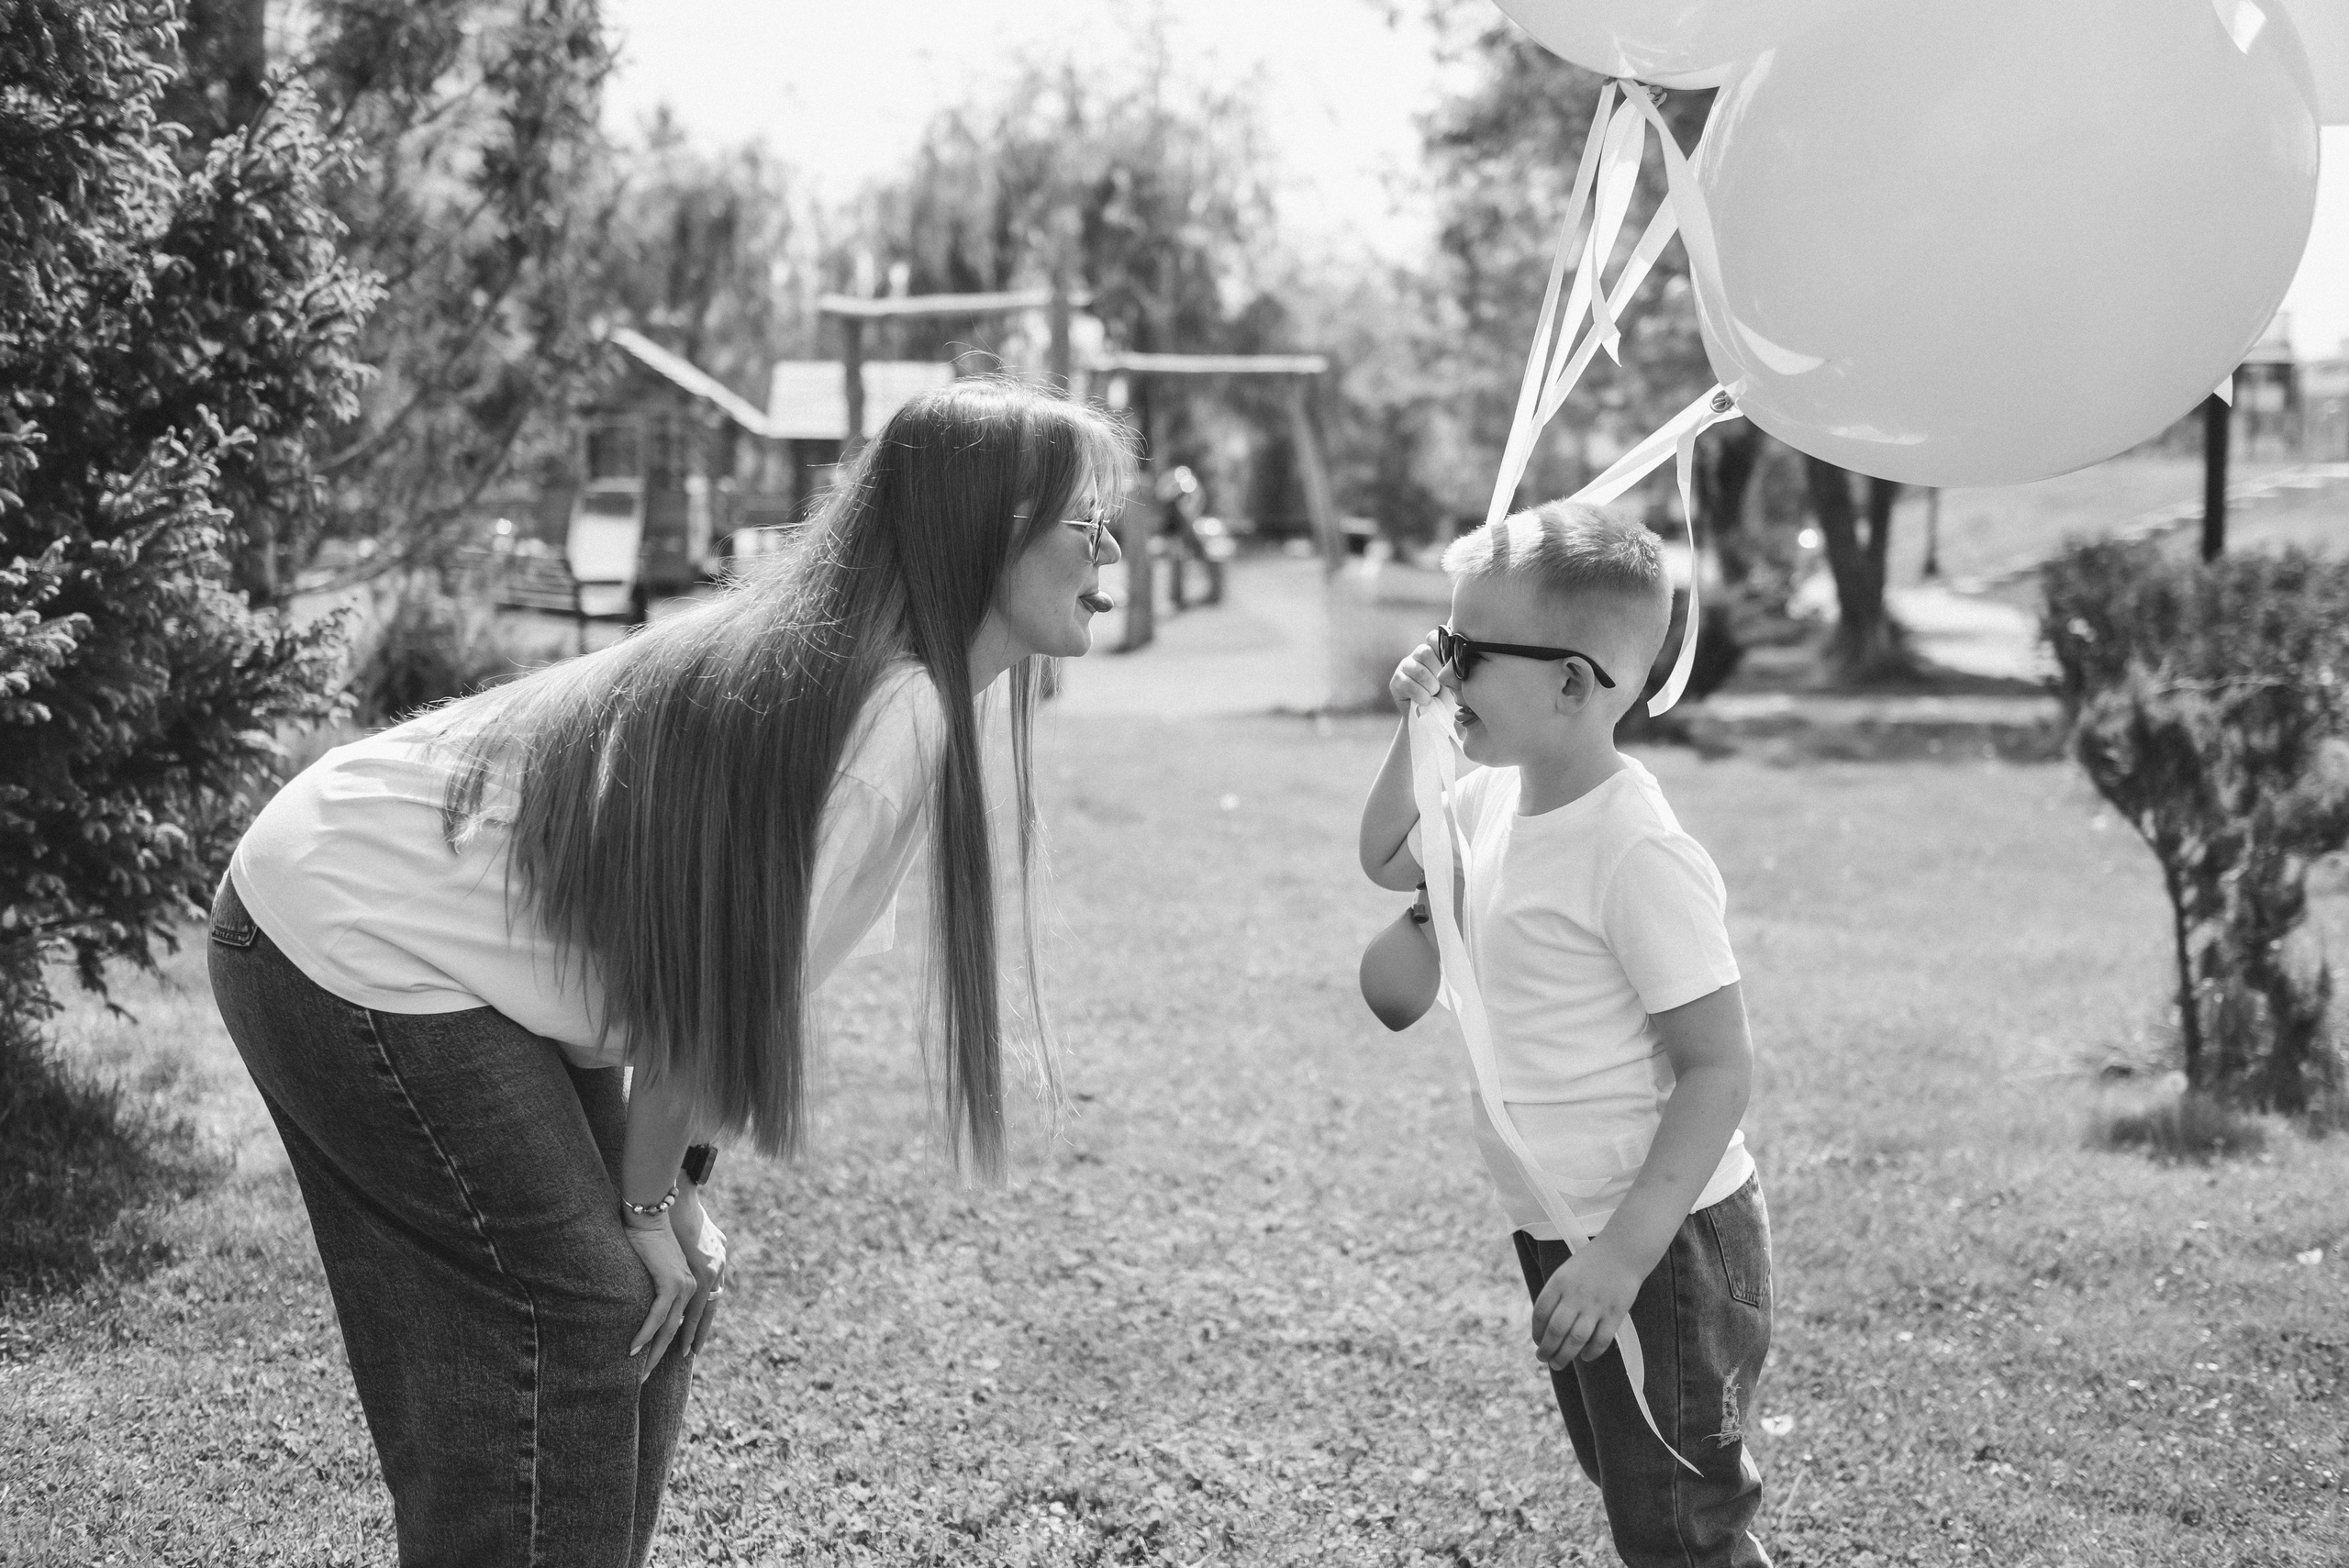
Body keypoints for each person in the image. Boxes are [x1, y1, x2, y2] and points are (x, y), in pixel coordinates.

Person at [207, 379, 1130, 1568]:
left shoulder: (887, 693)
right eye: (1080, 518)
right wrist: (643, 1203)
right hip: (348, 928)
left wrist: (675, 1188)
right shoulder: (887, 712)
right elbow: (718, 993)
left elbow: (713, 967)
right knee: (586, 1310)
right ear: (980, 536)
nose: (1108, 545)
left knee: (653, 1298)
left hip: (395, 930)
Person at [1355, 500, 1773, 1568]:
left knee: (1681, 1522)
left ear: (1571, 682)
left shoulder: (1634, 849)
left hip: (1657, 1236)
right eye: (1441, 646)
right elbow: (1386, 856)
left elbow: (1718, 1071)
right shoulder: (1491, 799)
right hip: (1559, 1220)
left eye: (1467, 652)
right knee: (1638, 1490)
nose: (1444, 672)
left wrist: (1622, 1257)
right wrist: (1417, 723)